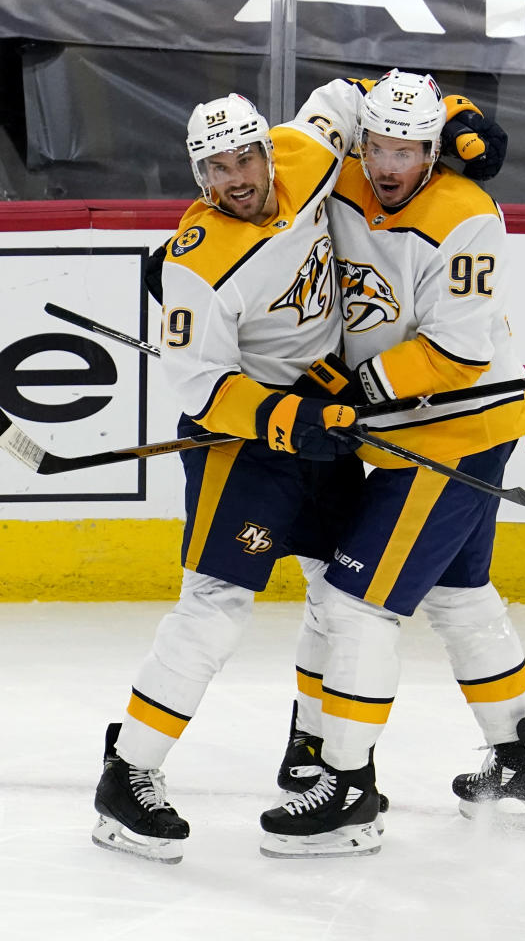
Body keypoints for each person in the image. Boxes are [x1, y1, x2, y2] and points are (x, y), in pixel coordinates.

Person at [91, 81, 503, 863]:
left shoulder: (306, 153)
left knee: (332, 593)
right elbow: (198, 386)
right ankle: (129, 772)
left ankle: (316, 754)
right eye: (216, 168)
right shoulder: (197, 267)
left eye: (246, 155)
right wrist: (285, 419)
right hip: (246, 443)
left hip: (326, 422)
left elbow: (353, 95)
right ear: (197, 176)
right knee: (214, 607)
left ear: (266, 147)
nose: (238, 177)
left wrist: (457, 114)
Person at [260, 70, 525, 859]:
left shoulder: (467, 215)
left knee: (356, 604)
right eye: (380, 144)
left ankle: (348, 792)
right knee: (461, 597)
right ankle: (522, 762)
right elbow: (324, 105)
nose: (391, 163)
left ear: (432, 151)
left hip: (452, 431)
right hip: (405, 429)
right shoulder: (341, 173)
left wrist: (352, 387)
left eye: (410, 148)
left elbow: (458, 351)